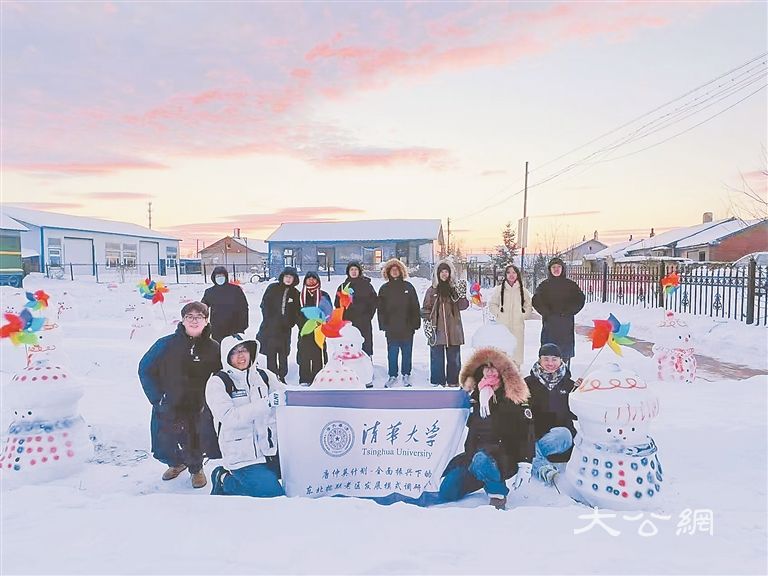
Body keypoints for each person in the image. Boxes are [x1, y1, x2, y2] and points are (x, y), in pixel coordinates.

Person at [437, 346, 535, 509]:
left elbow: (526, 432)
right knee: (447, 491)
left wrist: (526, 462)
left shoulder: (512, 397)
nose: (489, 372)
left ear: (503, 371)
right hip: (474, 456)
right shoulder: (475, 394)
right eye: (486, 368)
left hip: (503, 457)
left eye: (494, 368)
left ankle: (497, 493)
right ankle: (481, 476)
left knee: (482, 460)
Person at [138, 301, 222, 489]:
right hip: (168, 402)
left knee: (194, 439)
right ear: (182, 320)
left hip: (197, 404)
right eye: (189, 317)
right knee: (164, 442)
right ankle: (175, 464)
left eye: (199, 317)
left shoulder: (213, 348)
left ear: (206, 321)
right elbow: (145, 369)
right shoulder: (165, 344)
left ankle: (196, 469)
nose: (194, 321)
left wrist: (214, 398)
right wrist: (158, 398)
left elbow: (221, 375)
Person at [206, 334, 286, 497]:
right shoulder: (218, 382)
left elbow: (286, 396)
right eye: (235, 352)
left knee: (300, 479)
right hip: (242, 455)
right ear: (226, 356)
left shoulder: (264, 376)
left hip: (270, 449)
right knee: (273, 496)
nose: (241, 355)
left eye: (244, 350)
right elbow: (229, 417)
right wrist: (267, 403)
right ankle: (224, 480)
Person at [524, 343, 579, 486]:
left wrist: (581, 393)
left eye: (554, 359)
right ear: (539, 360)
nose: (550, 363)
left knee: (564, 434)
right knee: (524, 441)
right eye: (546, 359)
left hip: (558, 438)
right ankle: (546, 471)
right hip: (532, 434)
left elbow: (577, 414)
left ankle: (527, 455)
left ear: (561, 360)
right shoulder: (527, 384)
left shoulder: (569, 385)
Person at [421, 260, 469, 387]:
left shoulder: (454, 289)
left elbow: (463, 306)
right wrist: (427, 321)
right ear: (437, 273)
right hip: (436, 328)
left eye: (446, 271)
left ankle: (453, 381)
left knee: (454, 358)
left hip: (453, 329)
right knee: (437, 358)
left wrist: (462, 296)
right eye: (441, 271)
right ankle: (438, 382)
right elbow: (425, 308)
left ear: (450, 273)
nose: (444, 274)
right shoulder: (432, 290)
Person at [531, 257, 585, 365]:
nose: (556, 269)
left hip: (566, 324)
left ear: (563, 269)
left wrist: (569, 311)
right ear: (550, 269)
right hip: (549, 325)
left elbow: (580, 300)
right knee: (549, 353)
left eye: (559, 267)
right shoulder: (544, 286)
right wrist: (547, 312)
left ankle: (564, 375)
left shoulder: (571, 285)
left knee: (564, 354)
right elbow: (536, 301)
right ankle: (548, 375)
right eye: (553, 267)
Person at [377, 258, 421, 388]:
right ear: (388, 272)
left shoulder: (408, 287)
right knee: (392, 353)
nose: (395, 272)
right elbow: (381, 309)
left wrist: (415, 323)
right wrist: (383, 324)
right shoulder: (384, 289)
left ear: (401, 271)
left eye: (397, 270)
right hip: (391, 328)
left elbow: (415, 306)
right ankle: (392, 375)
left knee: (407, 352)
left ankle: (406, 374)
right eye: (392, 270)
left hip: (407, 327)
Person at [256, 266, 300, 383]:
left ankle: (282, 375)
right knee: (271, 353)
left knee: (283, 353)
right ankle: (272, 376)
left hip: (285, 329)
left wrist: (290, 322)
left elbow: (297, 311)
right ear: (282, 277)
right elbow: (264, 304)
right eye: (286, 276)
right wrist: (269, 319)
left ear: (294, 279)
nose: (288, 279)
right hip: (271, 328)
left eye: (291, 277)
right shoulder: (273, 288)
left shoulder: (295, 293)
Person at [487, 263, 533, 368]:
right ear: (505, 275)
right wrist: (498, 314)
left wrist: (523, 315)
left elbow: (528, 305)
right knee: (503, 350)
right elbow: (492, 304)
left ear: (517, 274)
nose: (511, 275)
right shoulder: (499, 290)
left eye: (514, 272)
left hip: (518, 326)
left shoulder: (523, 291)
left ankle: (516, 374)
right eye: (508, 273)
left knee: (517, 351)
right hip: (503, 326)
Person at [334, 260, 378, 357]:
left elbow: (374, 302)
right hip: (348, 321)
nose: (354, 272)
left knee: (364, 343)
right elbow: (337, 303)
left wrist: (367, 316)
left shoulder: (367, 285)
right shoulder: (342, 286)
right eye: (351, 269)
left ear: (359, 271)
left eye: (356, 269)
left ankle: (366, 363)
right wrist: (343, 317)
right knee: (349, 343)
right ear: (348, 272)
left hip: (363, 321)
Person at [296, 271, 332, 385]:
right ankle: (304, 379)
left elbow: (329, 311)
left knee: (319, 353)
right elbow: (295, 312)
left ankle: (318, 378)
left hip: (319, 329)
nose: (311, 280)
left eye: (314, 278)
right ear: (305, 281)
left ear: (318, 280)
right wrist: (301, 323)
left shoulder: (323, 295)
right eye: (309, 278)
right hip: (304, 329)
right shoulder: (300, 295)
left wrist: (322, 322)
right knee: (304, 354)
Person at [201, 266, 249, 343]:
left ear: (226, 277)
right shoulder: (210, 292)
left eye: (222, 276)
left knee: (234, 352)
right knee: (218, 351)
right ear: (214, 277)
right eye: (218, 276)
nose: (220, 278)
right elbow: (202, 308)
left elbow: (244, 308)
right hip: (217, 328)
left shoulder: (236, 290)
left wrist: (243, 326)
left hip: (235, 328)